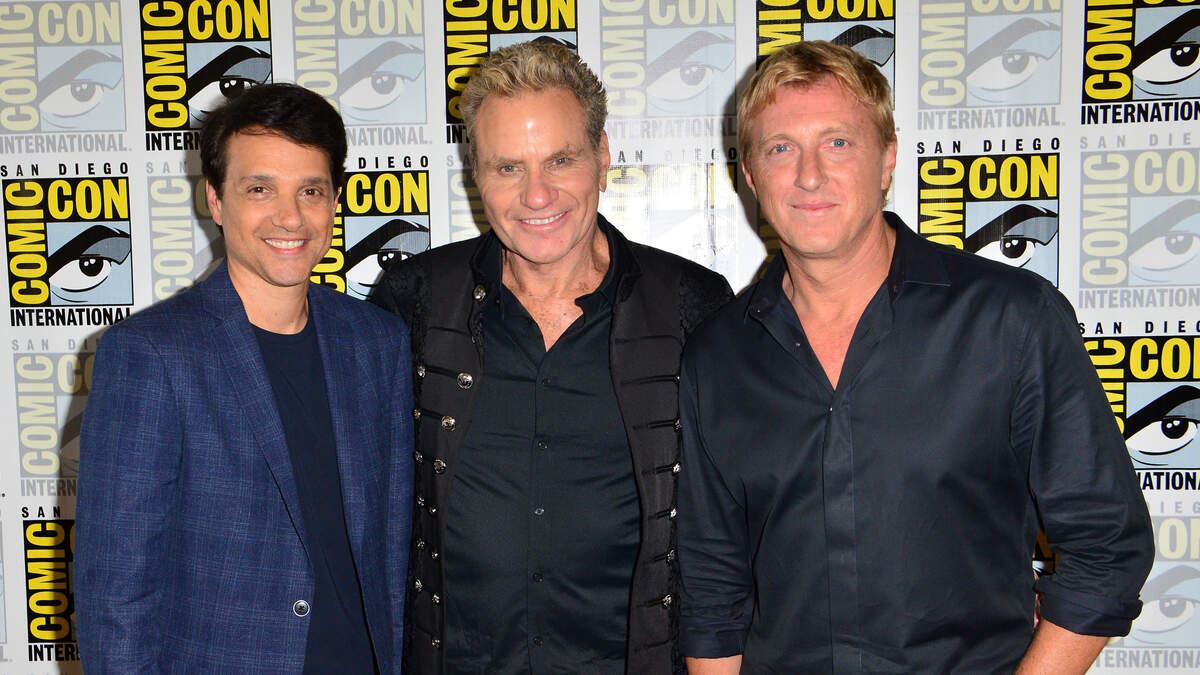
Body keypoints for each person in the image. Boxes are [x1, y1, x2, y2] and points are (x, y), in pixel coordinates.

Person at [676, 41, 1154, 673]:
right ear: (751, 176)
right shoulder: (717, 356)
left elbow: (1107, 547)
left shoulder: (1010, 319)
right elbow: (712, 590)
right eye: (780, 148)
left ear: (888, 160)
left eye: (838, 142)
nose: (809, 175)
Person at [370, 41, 732, 674]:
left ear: (602, 156)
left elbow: (727, 529)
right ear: (475, 175)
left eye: (560, 160)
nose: (536, 195)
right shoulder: (413, 300)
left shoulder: (691, 304)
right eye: (508, 167)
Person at [75, 83, 413, 673]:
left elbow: (391, 550)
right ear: (215, 199)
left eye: (311, 190)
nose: (291, 217)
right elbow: (115, 596)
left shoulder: (378, 343)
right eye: (260, 189)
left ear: (335, 202)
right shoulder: (149, 353)